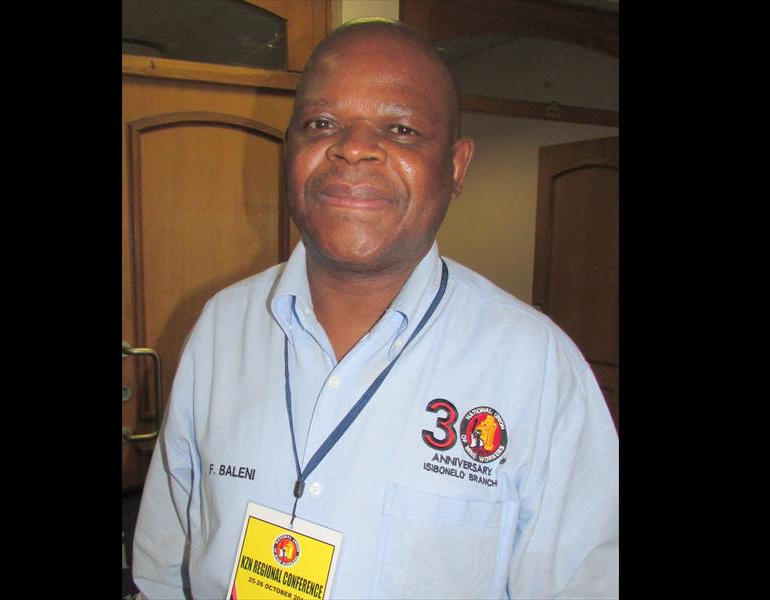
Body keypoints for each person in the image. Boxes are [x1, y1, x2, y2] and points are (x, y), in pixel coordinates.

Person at [132, 18, 619, 600]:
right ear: (290, 147)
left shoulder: (537, 368)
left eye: (401, 129)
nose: (354, 146)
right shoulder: (222, 326)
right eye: (321, 123)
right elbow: (165, 565)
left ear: (456, 166)